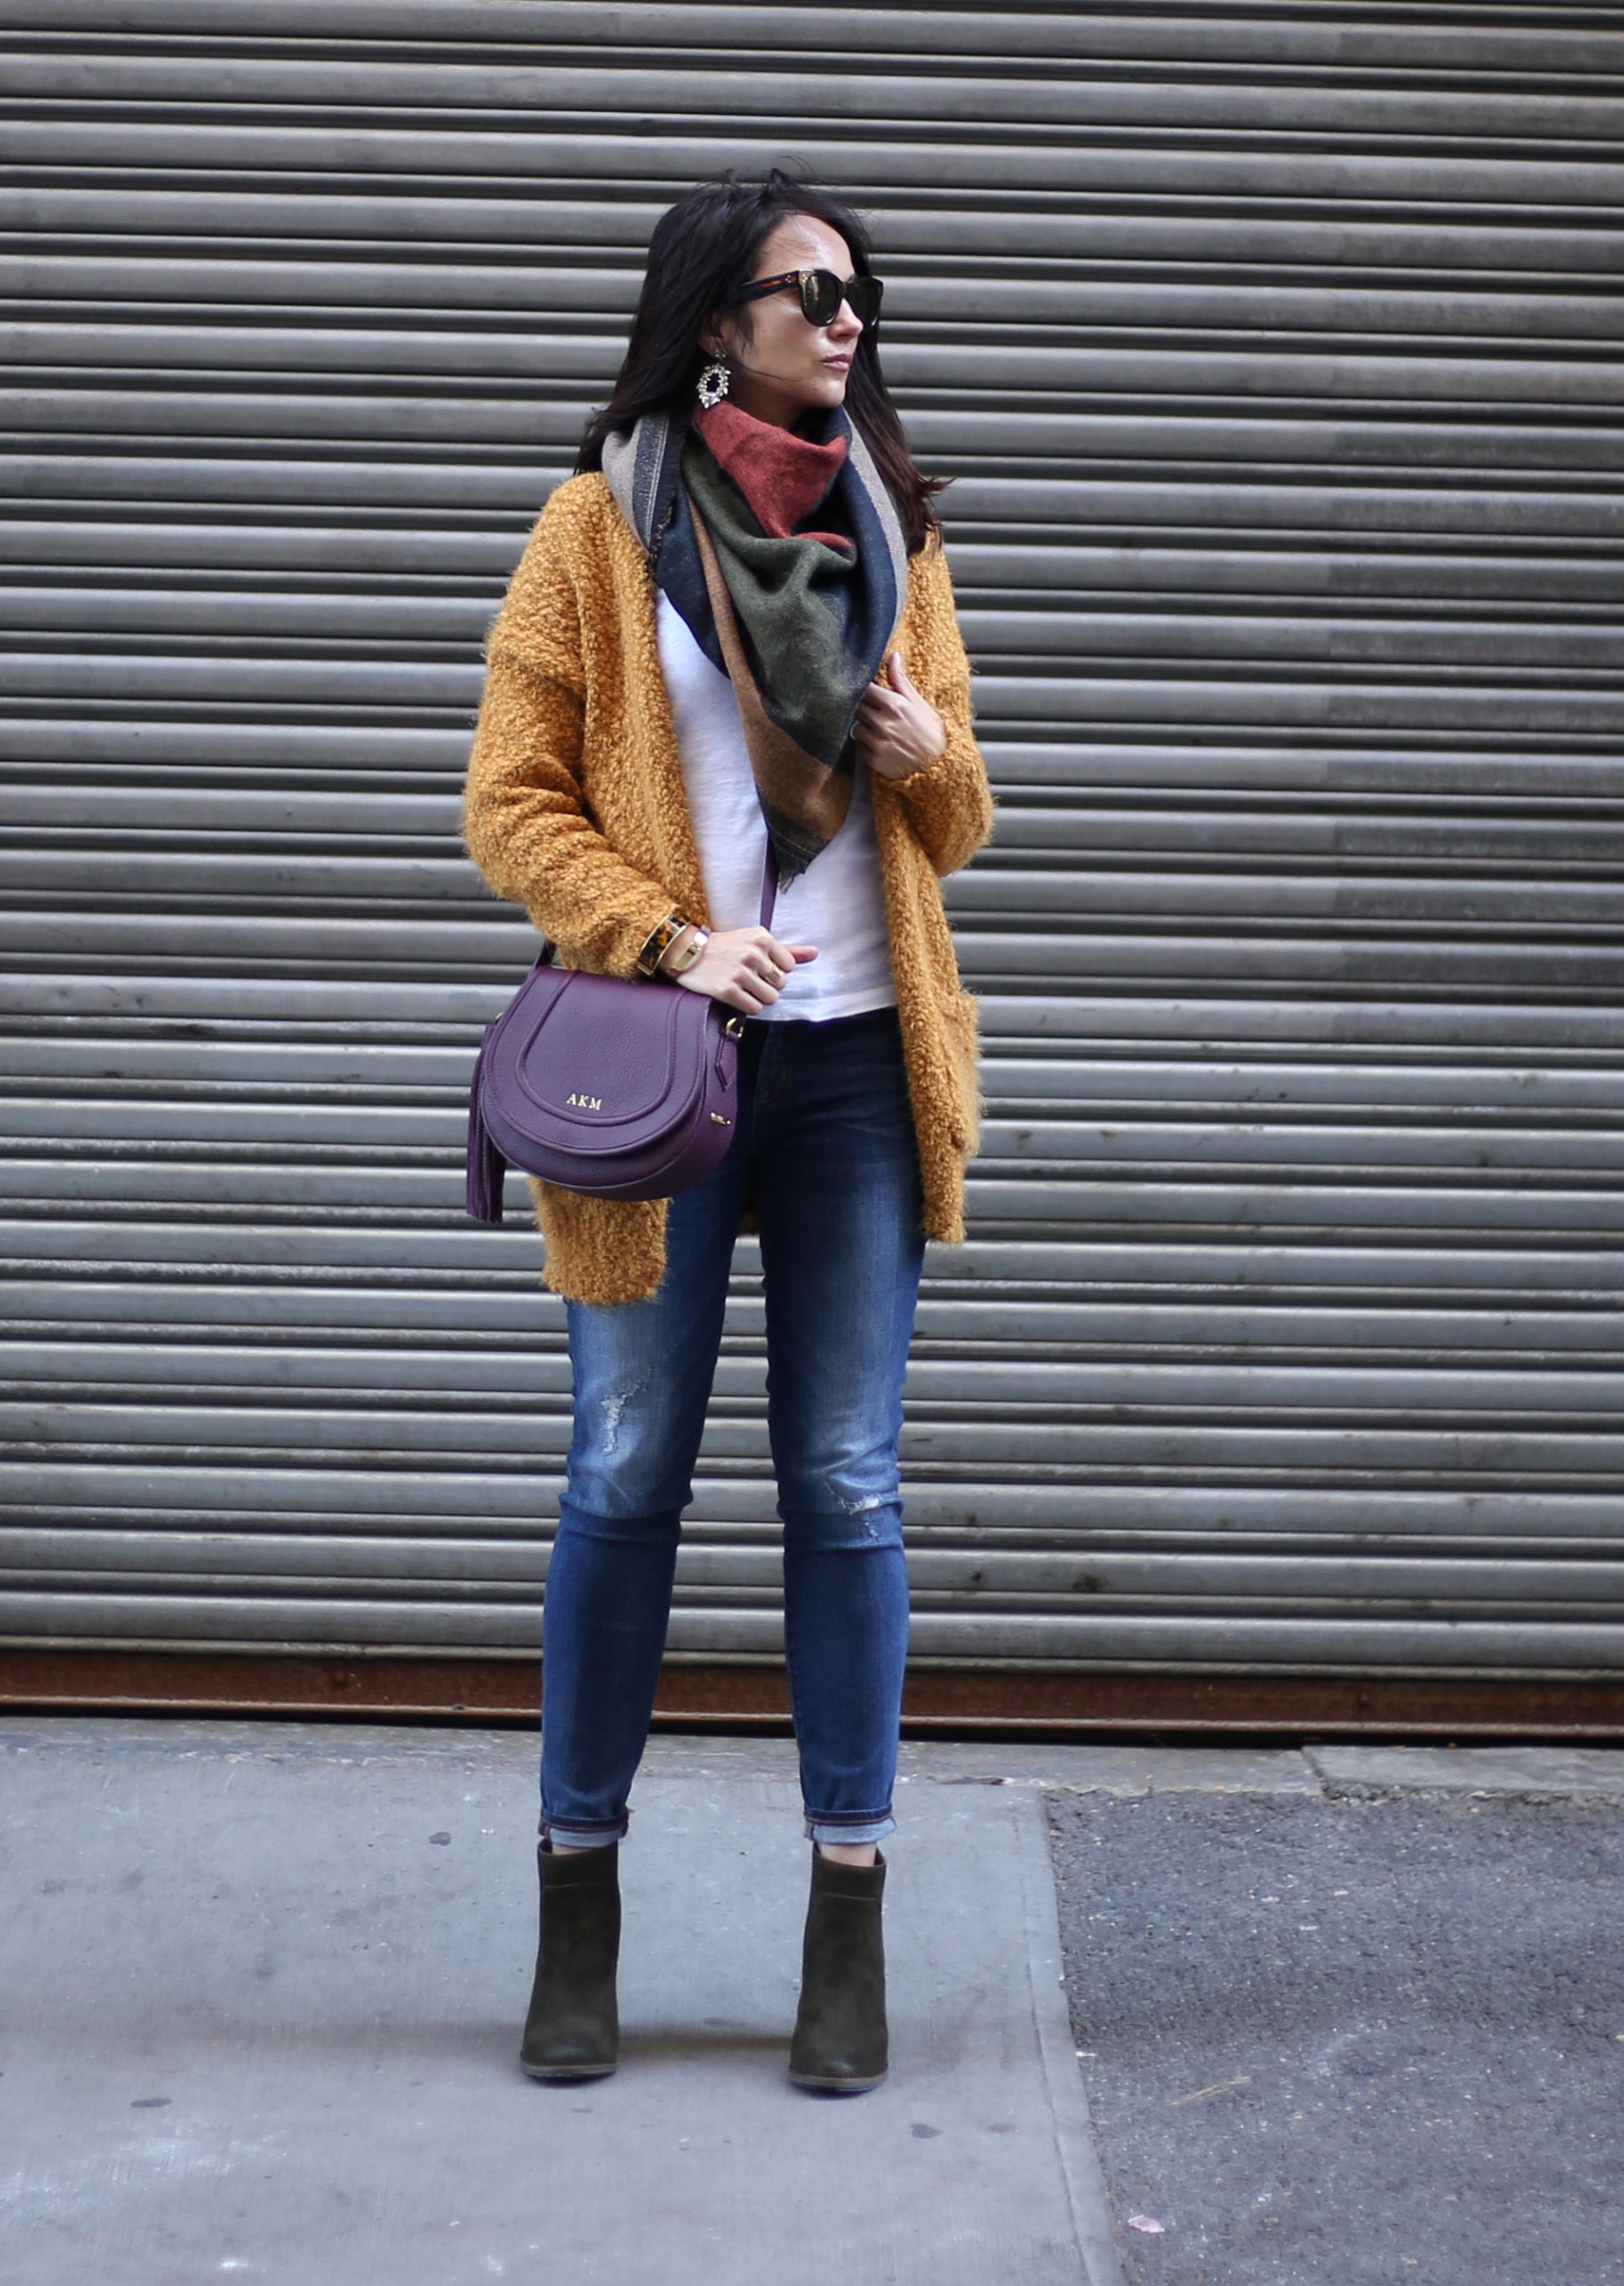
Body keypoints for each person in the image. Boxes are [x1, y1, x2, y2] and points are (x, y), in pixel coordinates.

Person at [463, 170, 992, 2096]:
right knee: (622, 1476)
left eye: (859, 293)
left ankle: (845, 1915)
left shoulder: (891, 523)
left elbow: (964, 819)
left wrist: (936, 766)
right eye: (806, 291)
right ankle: (575, 1907)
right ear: (713, 321)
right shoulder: (593, 531)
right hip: (661, 1072)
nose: (846, 320)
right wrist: (670, 935)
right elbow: (508, 803)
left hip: (856, 1069)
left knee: (846, 1485)